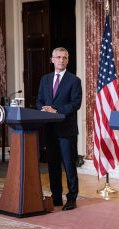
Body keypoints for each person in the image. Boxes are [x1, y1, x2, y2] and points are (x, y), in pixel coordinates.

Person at [36, 47, 82, 211]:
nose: (61, 60)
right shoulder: (45, 79)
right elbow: (39, 100)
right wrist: (43, 109)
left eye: (64, 57)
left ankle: (72, 198)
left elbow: (75, 103)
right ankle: (56, 197)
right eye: (58, 57)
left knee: (69, 166)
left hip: (66, 130)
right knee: (53, 165)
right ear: (52, 60)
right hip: (50, 129)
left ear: (67, 60)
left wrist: (56, 111)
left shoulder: (74, 80)